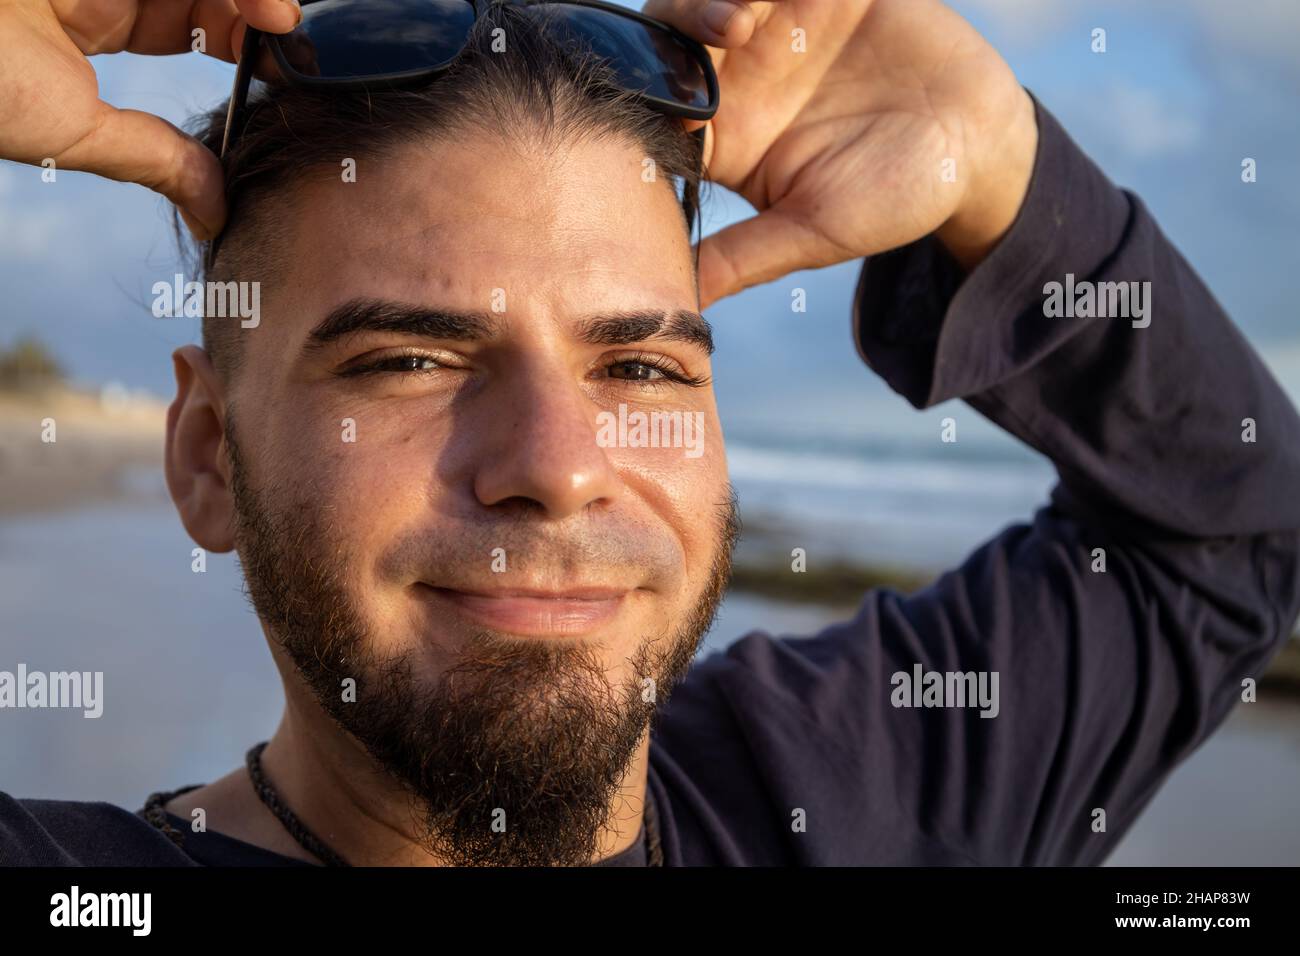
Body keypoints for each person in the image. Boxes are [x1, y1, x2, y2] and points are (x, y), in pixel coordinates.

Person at [2, 0, 1296, 867]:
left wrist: (1008, 166)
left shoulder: (858, 795)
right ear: (207, 457)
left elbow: (1234, 535)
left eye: (636, 362)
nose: (559, 467)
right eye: (408, 359)